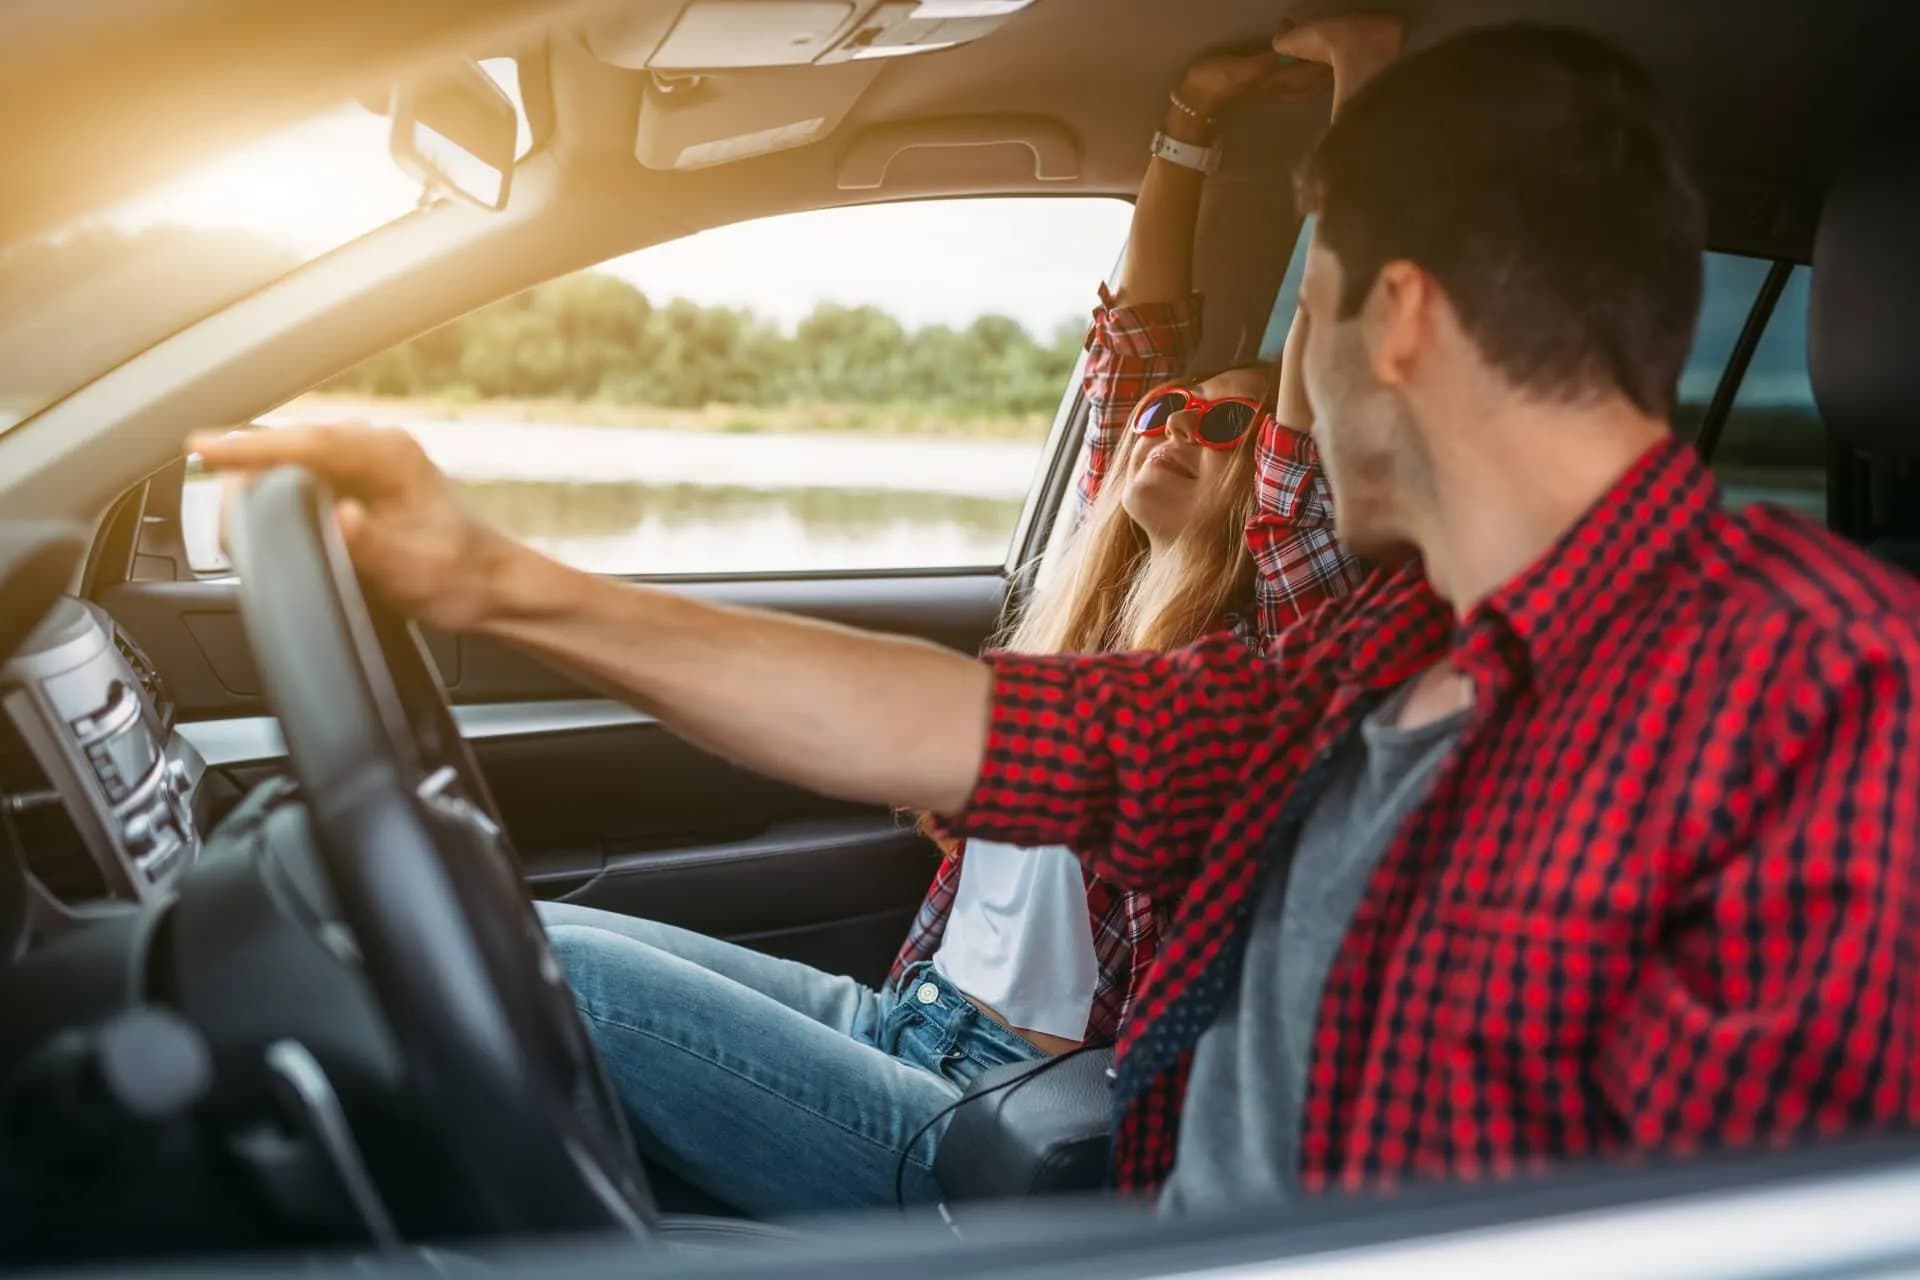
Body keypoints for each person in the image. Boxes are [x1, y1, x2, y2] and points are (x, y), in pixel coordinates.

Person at [197, 21, 1920, 1214]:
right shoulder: (1365, 666)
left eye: (1304, 314)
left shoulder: (1833, 702)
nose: (1287, 390)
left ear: (1389, 321)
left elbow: (1720, 1234)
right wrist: (503, 582)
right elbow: (967, 730)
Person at [196, 21, 1388, 1216]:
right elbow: (1129, 355)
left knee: (537, 973)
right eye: (1172, 410)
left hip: (998, 1115)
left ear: (1270, 486)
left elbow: (1299, 439)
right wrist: (1183, 123)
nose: (1175, 426)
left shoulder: (1262, 656)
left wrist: (1363, 76)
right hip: (907, 1011)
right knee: (508, 928)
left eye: (1225, 430)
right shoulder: (1096, 588)